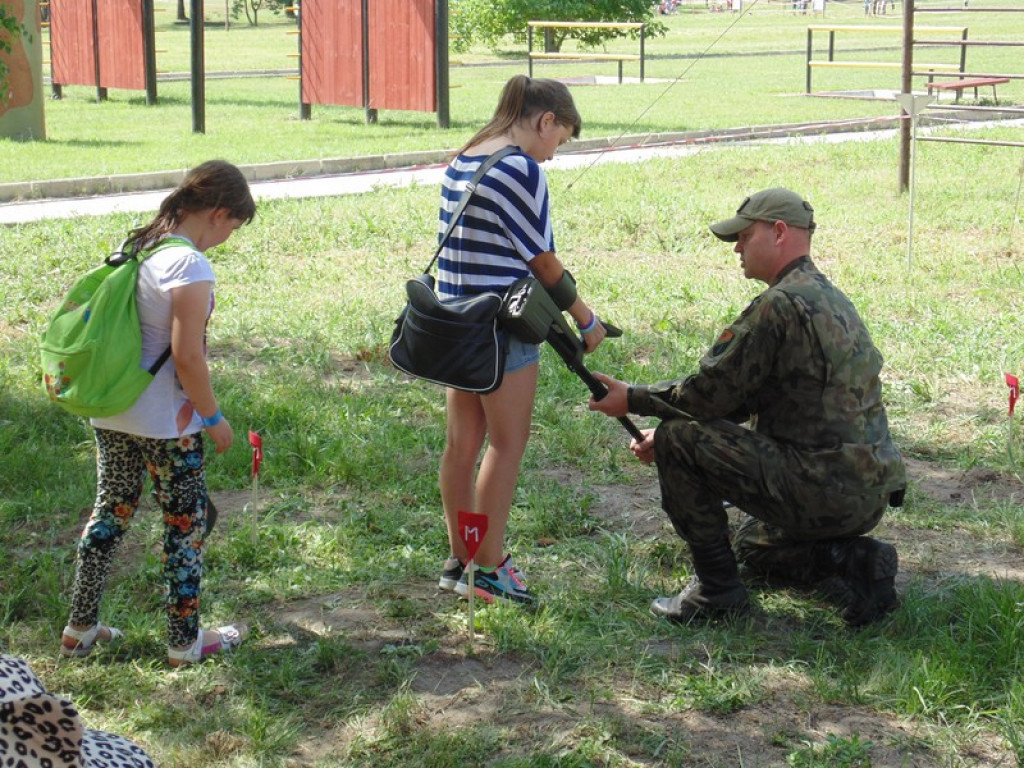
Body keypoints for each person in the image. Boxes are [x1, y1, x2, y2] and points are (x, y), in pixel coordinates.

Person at [588, 188, 906, 627]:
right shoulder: (830, 298)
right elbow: (741, 398)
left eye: (744, 236)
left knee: (679, 437)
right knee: (754, 546)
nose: (737, 248)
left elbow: (708, 394)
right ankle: (854, 560)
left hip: (823, 490)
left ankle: (716, 592)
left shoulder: (778, 305)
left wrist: (633, 398)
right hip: (867, 494)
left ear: (779, 232)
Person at [59, 160, 256, 666]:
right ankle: (184, 643)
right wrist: (213, 418)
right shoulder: (189, 265)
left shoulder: (140, 246)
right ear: (218, 213)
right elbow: (187, 357)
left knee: (108, 515)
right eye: (232, 227)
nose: (227, 239)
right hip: (168, 424)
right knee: (184, 528)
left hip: (112, 409)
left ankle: (80, 629)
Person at [435, 75, 607, 605]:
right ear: (545, 120)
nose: (553, 154)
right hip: (500, 327)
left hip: (453, 322)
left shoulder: (467, 154)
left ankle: (461, 561)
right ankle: (489, 569)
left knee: (461, 446)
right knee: (507, 445)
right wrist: (586, 319)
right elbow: (543, 263)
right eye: (560, 139)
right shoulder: (521, 168)